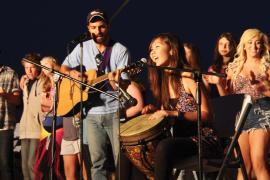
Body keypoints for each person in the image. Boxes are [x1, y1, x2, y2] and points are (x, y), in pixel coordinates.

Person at [60, 9, 131, 179]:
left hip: (114, 112)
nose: (98, 31)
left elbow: (124, 83)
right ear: (88, 28)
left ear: (108, 26)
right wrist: (73, 74)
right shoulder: (82, 47)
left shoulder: (120, 50)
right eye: (94, 27)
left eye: (102, 27)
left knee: (121, 159)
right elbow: (64, 67)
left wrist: (116, 81)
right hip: (90, 114)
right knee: (96, 163)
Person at [141, 33, 222, 180]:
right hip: (179, 140)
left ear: (172, 50)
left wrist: (172, 113)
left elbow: (207, 114)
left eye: (157, 47)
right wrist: (156, 111)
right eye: (150, 49)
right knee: (138, 149)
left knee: (164, 147)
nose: (152, 52)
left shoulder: (188, 79)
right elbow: (168, 113)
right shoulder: (164, 84)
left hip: (202, 139)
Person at [225, 28, 270, 179]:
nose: (254, 47)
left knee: (259, 163)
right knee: (244, 166)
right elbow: (228, 96)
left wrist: (262, 88)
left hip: (262, 111)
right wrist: (219, 84)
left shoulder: (267, 66)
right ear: (243, 45)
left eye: (258, 43)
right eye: (250, 43)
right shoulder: (234, 67)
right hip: (241, 114)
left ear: (263, 46)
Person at [34, 56, 65, 180]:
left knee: (55, 161)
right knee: (41, 164)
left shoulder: (62, 81)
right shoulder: (46, 83)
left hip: (60, 125)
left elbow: (61, 105)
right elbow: (45, 108)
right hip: (46, 125)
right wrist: (45, 103)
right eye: (42, 66)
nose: (45, 68)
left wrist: (51, 103)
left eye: (46, 64)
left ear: (54, 64)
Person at [19, 52, 45, 180]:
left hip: (37, 130)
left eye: (32, 67)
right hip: (24, 129)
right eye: (26, 67)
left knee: (32, 165)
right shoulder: (25, 83)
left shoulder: (43, 82)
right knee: (24, 166)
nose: (29, 71)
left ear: (38, 67)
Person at [0, 64, 21, 180]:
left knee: (5, 165)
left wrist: (4, 94)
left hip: (5, 125)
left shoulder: (10, 73)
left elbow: (17, 100)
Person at [204, 32, 237, 98]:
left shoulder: (237, 65)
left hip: (233, 101)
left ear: (233, 46)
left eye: (227, 44)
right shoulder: (212, 68)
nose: (223, 47)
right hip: (216, 102)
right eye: (221, 44)